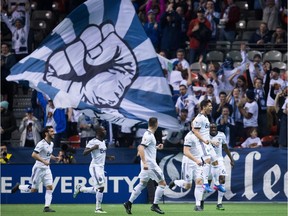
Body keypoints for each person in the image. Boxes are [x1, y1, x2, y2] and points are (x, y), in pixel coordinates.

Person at [11, 126, 60, 212]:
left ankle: (46, 207)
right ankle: (19, 187)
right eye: (51, 131)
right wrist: (44, 161)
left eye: (53, 131)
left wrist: (53, 158)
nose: (53, 133)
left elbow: (48, 154)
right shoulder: (41, 143)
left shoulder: (51, 144)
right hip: (39, 168)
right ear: (46, 133)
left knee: (50, 187)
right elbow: (34, 154)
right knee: (33, 189)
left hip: (47, 169)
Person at [123, 117, 166, 215]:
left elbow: (143, 148)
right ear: (156, 124)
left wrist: (156, 147)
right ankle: (155, 205)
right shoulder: (149, 135)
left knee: (142, 184)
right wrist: (145, 162)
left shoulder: (148, 135)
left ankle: (128, 203)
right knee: (162, 183)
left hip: (146, 163)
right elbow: (140, 148)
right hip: (150, 164)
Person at [73, 126, 114, 213]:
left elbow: (101, 154)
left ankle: (81, 189)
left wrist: (108, 157)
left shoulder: (103, 142)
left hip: (101, 168)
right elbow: (84, 153)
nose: (105, 131)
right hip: (95, 167)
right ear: (98, 132)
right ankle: (98, 208)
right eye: (103, 130)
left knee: (98, 188)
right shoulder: (93, 142)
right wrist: (93, 148)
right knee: (101, 187)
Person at [168, 124, 205, 211]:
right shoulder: (189, 136)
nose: (197, 129)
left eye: (199, 127)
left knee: (199, 181)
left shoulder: (201, 135)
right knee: (188, 186)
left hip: (198, 161)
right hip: (189, 161)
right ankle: (176, 182)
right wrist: (196, 160)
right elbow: (186, 152)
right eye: (195, 127)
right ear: (191, 126)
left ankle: (198, 205)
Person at [192, 100, 225, 193]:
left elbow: (204, 134)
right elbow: (195, 131)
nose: (211, 108)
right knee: (207, 161)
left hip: (208, 143)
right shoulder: (199, 118)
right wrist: (204, 140)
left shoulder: (206, 118)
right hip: (202, 144)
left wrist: (211, 141)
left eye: (211, 106)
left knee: (215, 163)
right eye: (209, 106)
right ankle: (205, 183)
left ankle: (217, 184)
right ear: (203, 107)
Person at [208, 123, 234, 210]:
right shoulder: (205, 136)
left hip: (219, 159)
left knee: (222, 179)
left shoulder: (221, 135)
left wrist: (231, 159)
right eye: (211, 127)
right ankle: (201, 201)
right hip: (208, 160)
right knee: (207, 182)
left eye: (214, 127)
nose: (213, 129)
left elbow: (225, 147)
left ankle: (219, 203)